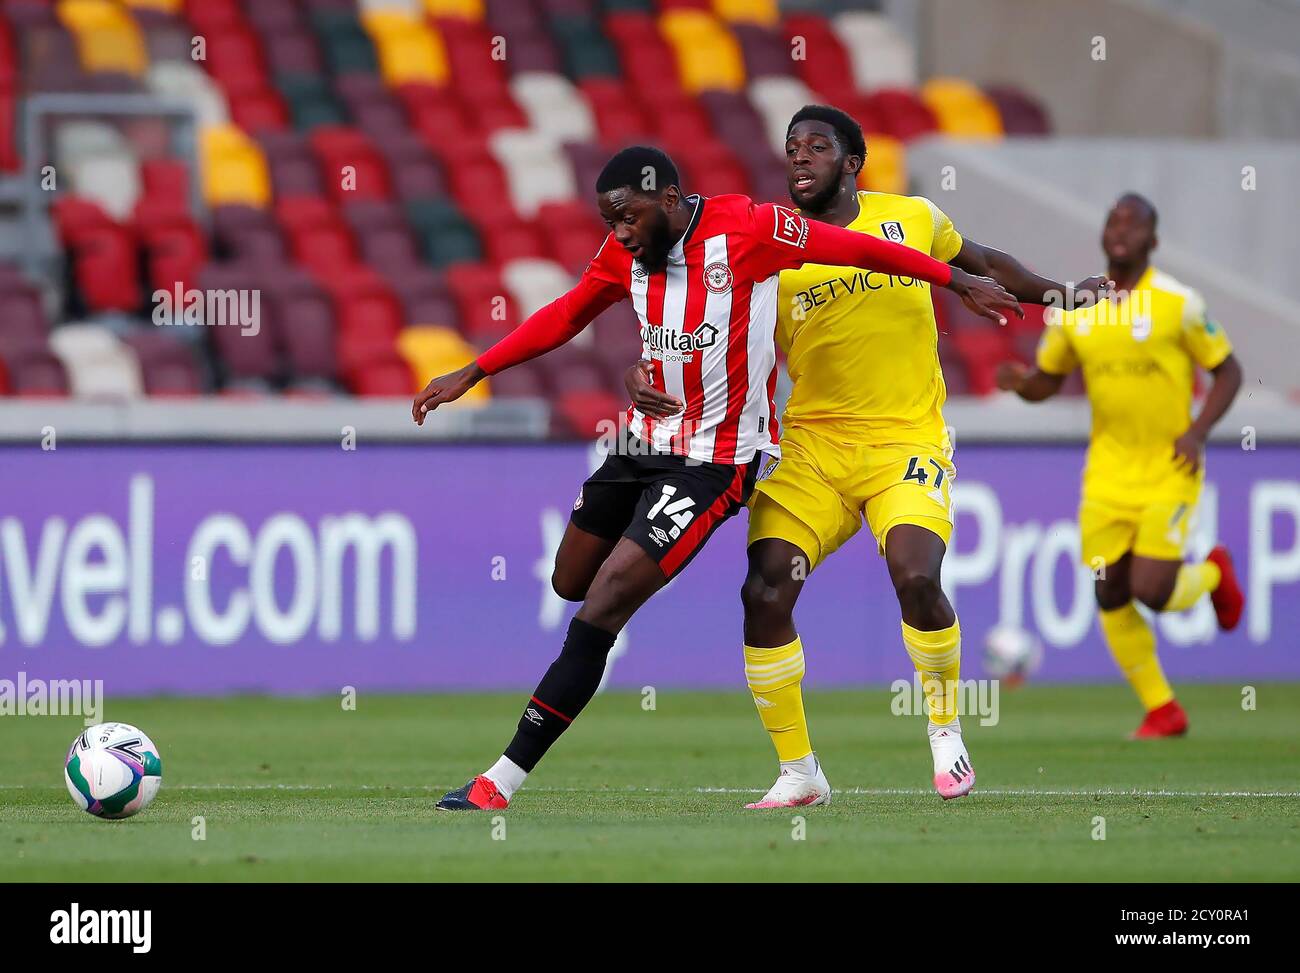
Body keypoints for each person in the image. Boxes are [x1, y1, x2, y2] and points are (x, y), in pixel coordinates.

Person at [413, 144, 1019, 810]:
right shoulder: (625, 254)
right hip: (641, 445)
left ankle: (498, 781)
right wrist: (474, 371)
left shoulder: (751, 230)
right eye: (609, 220)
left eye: (628, 217)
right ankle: (800, 774)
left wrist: (951, 278)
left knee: (605, 602)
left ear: (669, 201)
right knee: (569, 579)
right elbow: (566, 314)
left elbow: (854, 250)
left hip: (715, 463)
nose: (619, 233)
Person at [628, 106, 1111, 805]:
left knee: (915, 576)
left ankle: (945, 731)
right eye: (791, 148)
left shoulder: (911, 217)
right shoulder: (773, 247)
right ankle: (800, 773)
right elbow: (694, 322)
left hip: (904, 441)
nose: (799, 159)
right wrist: (647, 372)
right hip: (814, 449)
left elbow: (983, 264)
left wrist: (1062, 294)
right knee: (765, 589)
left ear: (852, 162)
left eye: (816, 147)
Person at [996, 192, 1244, 738]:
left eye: (1133, 223)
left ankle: (1212, 573)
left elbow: (1228, 370)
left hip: (1168, 469)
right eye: (1113, 220)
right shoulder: (1078, 307)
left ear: (1153, 241)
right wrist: (1020, 384)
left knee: (1154, 590)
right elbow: (1048, 380)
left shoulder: (1179, 303)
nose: (1120, 229)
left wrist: (1198, 432)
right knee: (1109, 588)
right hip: (1107, 473)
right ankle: (1162, 708)